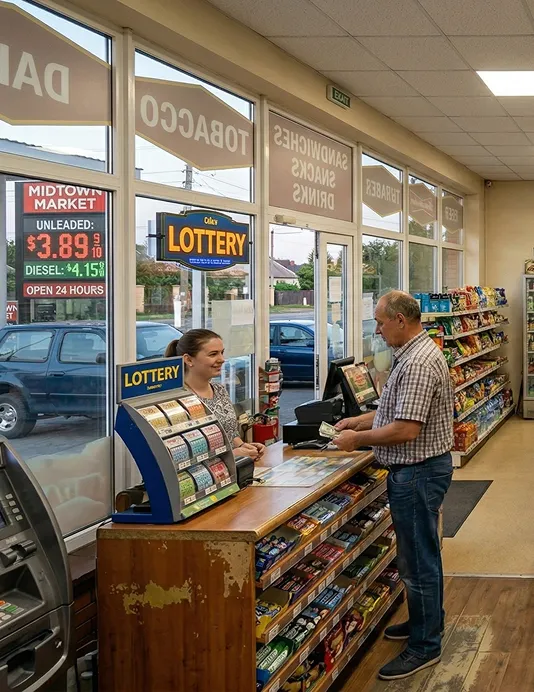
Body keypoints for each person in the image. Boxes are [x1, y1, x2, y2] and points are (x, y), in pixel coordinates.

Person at [333, 290, 453, 681]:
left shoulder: (417, 362)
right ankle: (426, 622)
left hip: (418, 472)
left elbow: (406, 429)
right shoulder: (415, 353)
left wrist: (357, 441)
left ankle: (425, 645)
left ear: (401, 320)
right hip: (420, 470)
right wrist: (361, 421)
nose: (379, 330)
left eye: (382, 322)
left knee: (418, 563)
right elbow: (396, 411)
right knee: (419, 557)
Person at [165, 329, 265, 461]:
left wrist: (245, 447)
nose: (222, 359)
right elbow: (179, 453)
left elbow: (230, 433)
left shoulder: (219, 390)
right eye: (213, 354)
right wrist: (234, 454)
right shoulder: (176, 400)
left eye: (222, 353)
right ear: (188, 359)